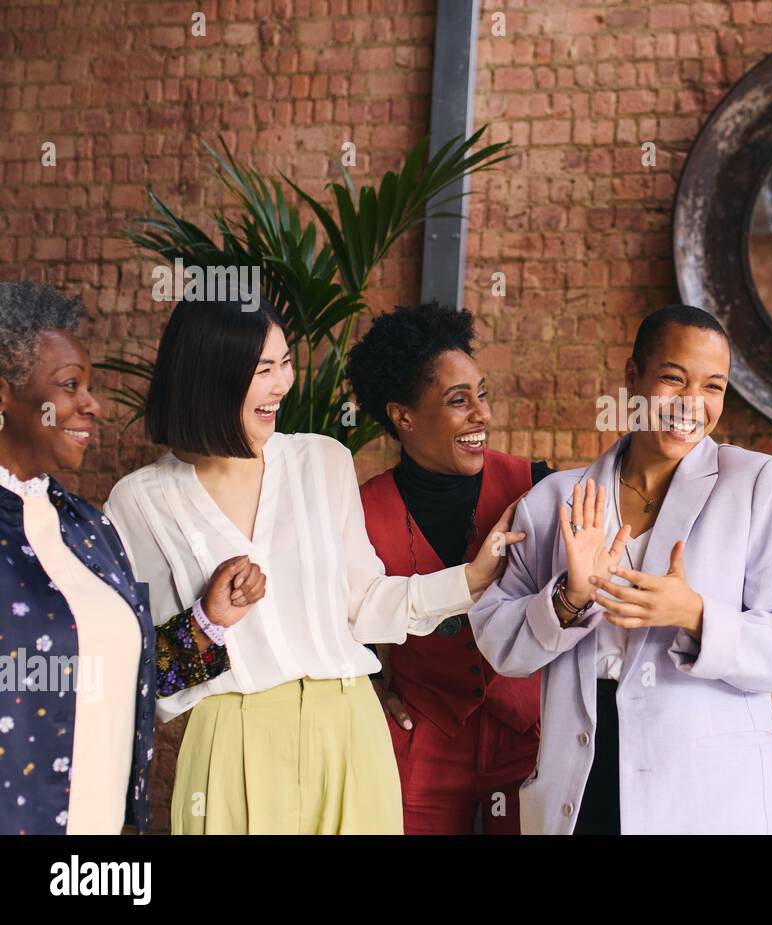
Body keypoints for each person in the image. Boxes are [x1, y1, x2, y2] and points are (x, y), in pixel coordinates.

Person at [104, 295, 522, 835]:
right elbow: (143, 674)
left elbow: (364, 603)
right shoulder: (139, 502)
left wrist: (473, 578)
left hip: (348, 727)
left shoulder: (322, 461)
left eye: (285, 363)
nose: (284, 384)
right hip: (232, 740)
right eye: (264, 369)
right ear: (211, 375)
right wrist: (207, 621)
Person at [469, 304, 772, 834]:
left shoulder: (755, 483)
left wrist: (696, 615)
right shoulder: (554, 500)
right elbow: (500, 644)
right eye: (673, 378)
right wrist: (569, 598)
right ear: (631, 377)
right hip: (583, 776)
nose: (693, 403)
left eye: (713, 386)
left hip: (708, 790)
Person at [0, 282, 261, 835]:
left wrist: (208, 622)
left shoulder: (90, 531)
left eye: (90, 386)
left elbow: (133, 680)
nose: (92, 404)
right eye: (70, 386)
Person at [347, 302, 550, 835]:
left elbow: (635, 484)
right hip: (423, 739)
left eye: (481, 394)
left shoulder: (534, 484)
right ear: (403, 416)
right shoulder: (360, 512)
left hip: (527, 734)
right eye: (458, 401)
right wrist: (370, 689)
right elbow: (337, 622)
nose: (481, 414)